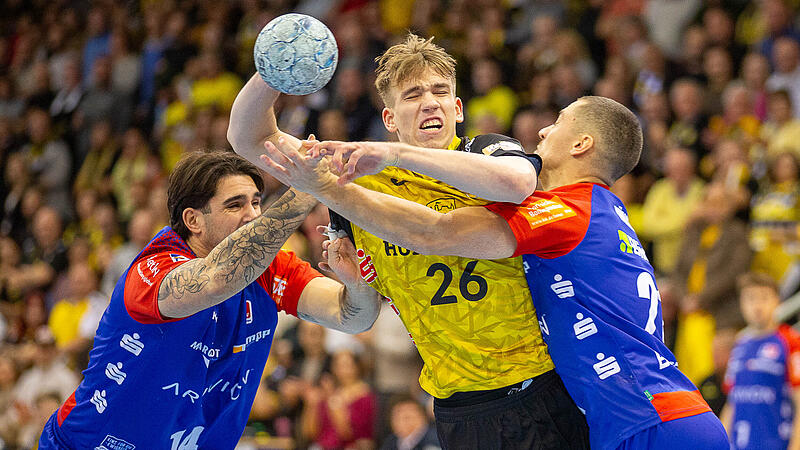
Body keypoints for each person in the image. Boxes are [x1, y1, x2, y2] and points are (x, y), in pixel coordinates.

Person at [259, 95, 730, 450]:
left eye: (559, 123)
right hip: (641, 419)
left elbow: (440, 232)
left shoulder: (569, 210)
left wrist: (348, 178)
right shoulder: (603, 210)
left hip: (649, 421)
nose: (543, 131)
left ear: (582, 144)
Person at [229, 33, 589, 448]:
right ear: (389, 120)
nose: (430, 101)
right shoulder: (356, 179)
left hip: (541, 389)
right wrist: (277, 66)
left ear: (457, 109)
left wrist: (395, 155)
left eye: (440, 91)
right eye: (413, 95)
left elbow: (519, 183)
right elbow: (248, 138)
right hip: (456, 408)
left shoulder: (485, 151)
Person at [38, 150, 382, 449]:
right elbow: (217, 279)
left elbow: (354, 316)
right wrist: (308, 186)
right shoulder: (152, 270)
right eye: (235, 205)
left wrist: (357, 282)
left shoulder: (270, 269)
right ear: (193, 220)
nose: (252, 215)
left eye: (256, 202)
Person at [720, 272, 800, 450]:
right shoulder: (740, 345)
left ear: (777, 301)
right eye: (751, 299)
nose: (757, 306)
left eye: (764, 298)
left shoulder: (790, 342)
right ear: (741, 304)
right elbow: (731, 403)